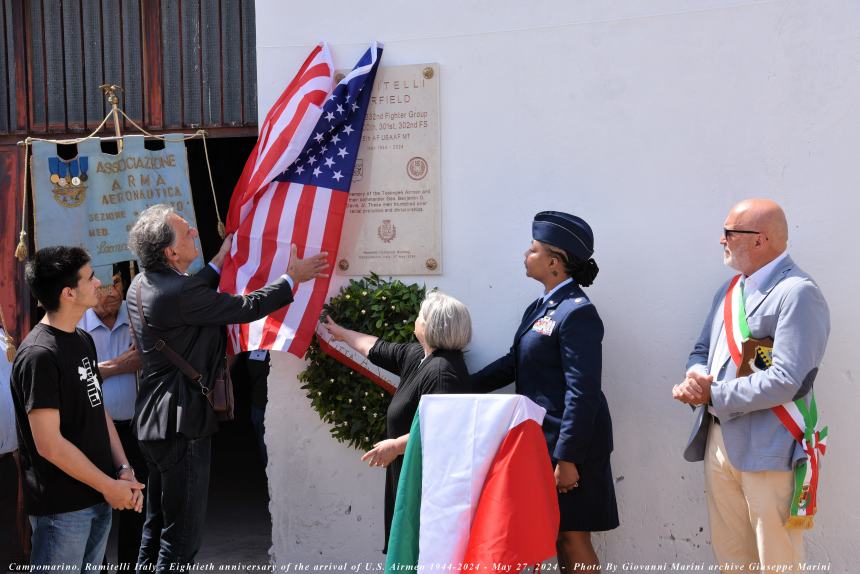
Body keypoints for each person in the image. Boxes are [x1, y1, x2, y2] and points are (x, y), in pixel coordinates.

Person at [126, 204, 328, 571]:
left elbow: (188, 293)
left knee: (155, 527)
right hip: (179, 422)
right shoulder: (179, 294)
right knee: (181, 537)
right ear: (170, 252)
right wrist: (290, 278)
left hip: (153, 420)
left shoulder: (141, 285)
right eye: (186, 231)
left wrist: (217, 263)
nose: (195, 234)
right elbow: (245, 307)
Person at [672, 199, 830, 573]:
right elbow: (701, 351)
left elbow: (787, 379)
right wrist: (696, 379)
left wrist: (714, 394)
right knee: (732, 558)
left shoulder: (796, 292)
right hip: (720, 440)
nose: (721, 240)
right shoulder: (730, 291)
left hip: (770, 445)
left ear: (759, 240)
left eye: (729, 232)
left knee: (777, 560)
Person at [470, 211, 618, 573]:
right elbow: (513, 363)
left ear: (554, 262)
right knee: (555, 534)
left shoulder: (577, 313)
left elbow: (582, 391)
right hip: (543, 440)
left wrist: (567, 459)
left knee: (572, 535)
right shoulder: (541, 307)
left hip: (572, 443)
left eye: (532, 249)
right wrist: (459, 386)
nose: (525, 254)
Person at [10, 246, 144, 569]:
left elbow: (99, 409)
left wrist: (123, 470)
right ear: (69, 293)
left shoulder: (82, 339)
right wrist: (109, 485)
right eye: (91, 277)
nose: (99, 284)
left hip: (98, 499)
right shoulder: (38, 355)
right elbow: (50, 445)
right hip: (63, 510)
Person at [321, 290, 472, 552]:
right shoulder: (420, 357)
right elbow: (376, 348)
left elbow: (444, 431)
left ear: (430, 326)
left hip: (427, 487)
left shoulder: (443, 373)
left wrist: (396, 446)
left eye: (421, 316)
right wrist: (341, 333)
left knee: (421, 553)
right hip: (408, 476)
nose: (417, 319)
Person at [78, 265, 146, 567]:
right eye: (106, 285)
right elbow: (75, 378)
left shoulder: (135, 321)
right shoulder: (77, 328)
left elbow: (147, 358)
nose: (114, 292)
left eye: (118, 283)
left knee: (136, 506)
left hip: (134, 429)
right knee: (98, 507)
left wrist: (100, 369)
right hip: (95, 434)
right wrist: (117, 365)